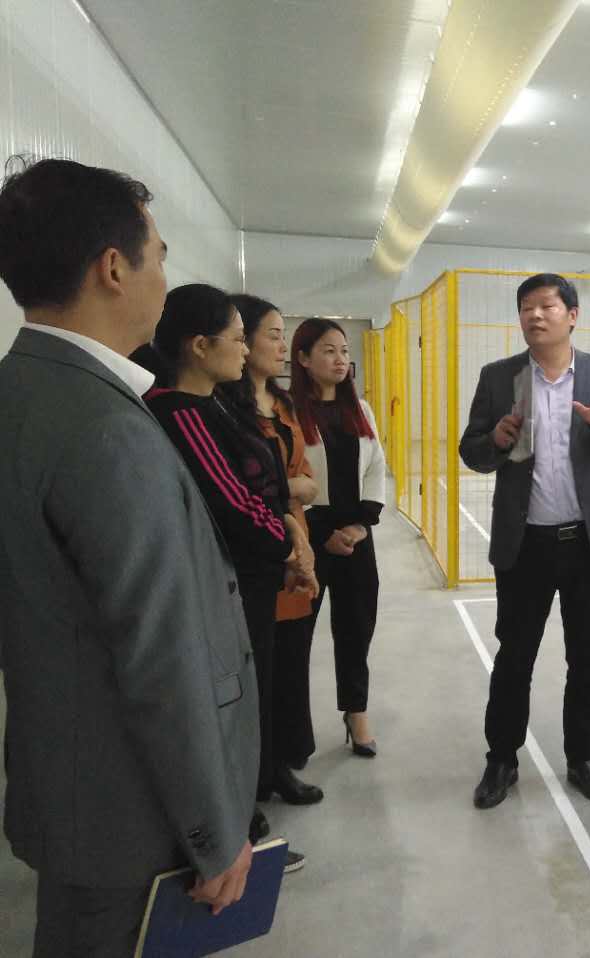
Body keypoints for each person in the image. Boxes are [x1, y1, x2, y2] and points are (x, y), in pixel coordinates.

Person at [0, 157, 256, 955]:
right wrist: (215, 833)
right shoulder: (107, 429)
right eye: (160, 256)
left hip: (66, 787)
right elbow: (160, 656)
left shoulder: (21, 390)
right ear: (114, 269)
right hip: (132, 817)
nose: (164, 279)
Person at [142, 284, 316, 873]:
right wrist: (289, 546)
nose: (246, 351)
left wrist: (288, 531)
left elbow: (261, 485)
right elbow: (234, 503)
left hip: (258, 575)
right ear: (199, 345)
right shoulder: (179, 411)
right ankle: (234, 830)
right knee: (231, 706)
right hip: (233, 582)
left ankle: (252, 800)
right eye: (239, 339)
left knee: (256, 691)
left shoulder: (214, 402)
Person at [460, 273, 590, 810]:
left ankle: (584, 757)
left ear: (572, 315)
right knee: (515, 657)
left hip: (588, 544)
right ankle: (501, 759)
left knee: (588, 659)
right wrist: (495, 440)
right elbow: (472, 451)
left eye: (546, 306)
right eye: (526, 308)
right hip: (525, 547)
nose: (534, 316)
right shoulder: (500, 378)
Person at [225, 293, 327, 790]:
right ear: (241, 339)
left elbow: (307, 478)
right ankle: (258, 773)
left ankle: (284, 756)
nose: (282, 346)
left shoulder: (284, 404)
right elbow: (240, 488)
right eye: (273, 335)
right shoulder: (225, 408)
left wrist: (288, 489)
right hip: (260, 550)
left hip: (296, 547)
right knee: (257, 668)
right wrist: (287, 489)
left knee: (291, 659)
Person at [289, 319, 387, 757]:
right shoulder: (288, 412)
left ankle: (356, 710)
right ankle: (293, 729)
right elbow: (287, 475)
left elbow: (376, 466)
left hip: (356, 537)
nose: (340, 359)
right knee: (296, 637)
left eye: (344, 351)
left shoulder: (360, 409)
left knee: (356, 630)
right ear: (303, 358)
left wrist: (361, 525)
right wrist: (321, 533)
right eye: (328, 350)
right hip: (307, 538)